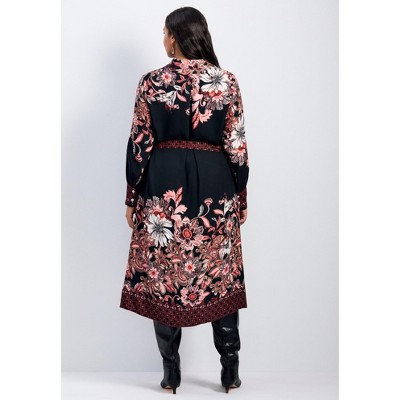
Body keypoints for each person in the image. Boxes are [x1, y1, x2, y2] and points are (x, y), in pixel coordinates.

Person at [119, 6, 250, 394]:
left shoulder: (151, 82)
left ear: (175, 37)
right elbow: (236, 146)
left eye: (165, 32)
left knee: (164, 276)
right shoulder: (226, 82)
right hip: (216, 188)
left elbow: (140, 142)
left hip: (164, 189)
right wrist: (241, 195)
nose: (163, 39)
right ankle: (230, 371)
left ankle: (170, 373)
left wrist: (132, 194)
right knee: (219, 275)